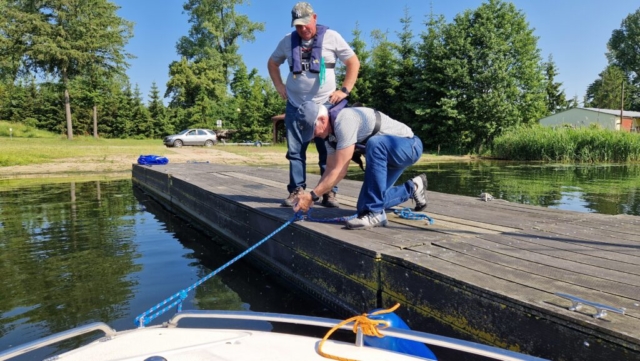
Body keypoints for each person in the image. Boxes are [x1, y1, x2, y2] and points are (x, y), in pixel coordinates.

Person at [268, 2, 360, 208]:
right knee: (295, 151)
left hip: (325, 106)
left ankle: (328, 192)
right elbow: (272, 63)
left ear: (314, 18)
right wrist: (278, 85)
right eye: (298, 26)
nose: (302, 29)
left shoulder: (332, 37)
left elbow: (353, 62)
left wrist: (344, 90)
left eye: (305, 24)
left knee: (327, 150)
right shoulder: (286, 42)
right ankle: (296, 190)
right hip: (295, 105)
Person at [292, 101, 428, 230]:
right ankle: (413, 187)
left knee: (375, 144)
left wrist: (312, 196)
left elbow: (340, 170)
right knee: (364, 205)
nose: (313, 136)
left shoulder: (344, 120)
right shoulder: (330, 138)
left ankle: (376, 214)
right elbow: (330, 169)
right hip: (387, 157)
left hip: (409, 146)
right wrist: (311, 198)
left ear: (322, 119)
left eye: (313, 130)